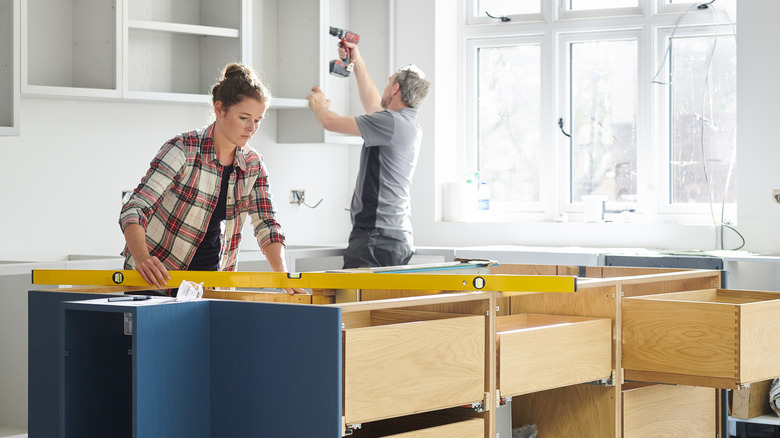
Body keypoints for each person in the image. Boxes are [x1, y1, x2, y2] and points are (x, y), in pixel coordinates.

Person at [119, 63, 306, 295]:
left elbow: (267, 225)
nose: (252, 128)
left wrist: (283, 277)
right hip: (156, 281)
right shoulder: (183, 149)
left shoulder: (253, 165)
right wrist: (142, 259)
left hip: (209, 286)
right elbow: (135, 208)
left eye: (258, 120)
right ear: (220, 109)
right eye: (244, 118)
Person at [306, 42, 431, 269]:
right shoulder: (406, 124)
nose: (384, 89)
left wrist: (319, 106)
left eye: (388, 83)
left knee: (354, 303)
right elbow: (373, 103)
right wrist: (357, 60)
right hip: (394, 237)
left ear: (395, 90)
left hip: (376, 238)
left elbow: (330, 122)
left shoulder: (389, 123)